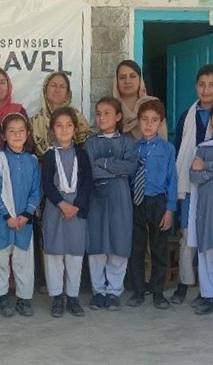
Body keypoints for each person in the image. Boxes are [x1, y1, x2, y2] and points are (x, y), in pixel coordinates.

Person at [85, 97, 137, 311]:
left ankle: (114, 291)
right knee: (97, 243)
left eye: (107, 113)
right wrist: (116, 170)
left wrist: (104, 163)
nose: (102, 117)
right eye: (98, 113)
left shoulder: (126, 142)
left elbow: (130, 168)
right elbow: (89, 171)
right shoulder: (90, 143)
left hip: (119, 197)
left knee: (118, 242)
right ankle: (99, 291)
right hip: (96, 197)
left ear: (118, 117)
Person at [0, 113, 40, 317]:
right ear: (3, 134)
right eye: (12, 131)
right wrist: (7, 216)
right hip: (2, 221)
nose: (17, 135)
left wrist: (26, 215)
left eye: (21, 131)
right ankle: (2, 298)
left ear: (27, 134)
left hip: (24, 221)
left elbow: (36, 190)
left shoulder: (32, 161)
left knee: (23, 261)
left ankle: (24, 299)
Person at [42, 107, 92, 317]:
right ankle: (57, 297)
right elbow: (46, 183)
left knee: (74, 255)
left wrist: (76, 206)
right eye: (59, 125)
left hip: (76, 211)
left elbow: (87, 183)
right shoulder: (48, 155)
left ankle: (72, 296)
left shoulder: (82, 154)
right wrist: (62, 204)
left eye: (68, 125)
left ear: (75, 129)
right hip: (56, 210)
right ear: (53, 130)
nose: (64, 129)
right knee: (54, 254)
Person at [127, 101, 177, 310]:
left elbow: (172, 180)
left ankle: (157, 292)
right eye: (145, 120)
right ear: (138, 122)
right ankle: (139, 290)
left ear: (160, 123)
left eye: (154, 120)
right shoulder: (132, 148)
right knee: (137, 248)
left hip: (158, 202)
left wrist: (170, 209)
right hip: (136, 201)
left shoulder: (167, 148)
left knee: (158, 248)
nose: (149, 124)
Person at [172, 64, 213, 306]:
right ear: (196, 86)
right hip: (189, 183)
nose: (206, 89)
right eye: (202, 84)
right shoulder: (186, 116)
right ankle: (184, 283)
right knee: (188, 236)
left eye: (211, 84)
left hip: (210, 185)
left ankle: (207, 289)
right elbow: (179, 150)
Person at [31, 72, 90, 159]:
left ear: (67, 92)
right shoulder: (34, 122)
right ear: (45, 89)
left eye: (62, 86)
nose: (57, 90)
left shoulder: (77, 118)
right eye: (53, 85)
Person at [189, 108, 213, 315]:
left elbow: (200, 170)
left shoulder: (204, 156)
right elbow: (193, 175)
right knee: (206, 251)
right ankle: (208, 295)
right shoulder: (203, 147)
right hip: (206, 209)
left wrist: (206, 167)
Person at [113, 60, 167, 141]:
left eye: (132, 76)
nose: (127, 81)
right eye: (122, 77)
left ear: (140, 80)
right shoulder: (110, 109)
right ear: (116, 82)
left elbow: (163, 143)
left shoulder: (153, 106)